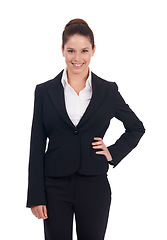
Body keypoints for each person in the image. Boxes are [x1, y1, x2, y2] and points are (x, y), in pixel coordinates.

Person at [26, 18, 145, 240]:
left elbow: (136, 127)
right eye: (71, 50)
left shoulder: (108, 91)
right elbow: (36, 143)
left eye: (84, 51)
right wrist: (35, 195)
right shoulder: (44, 91)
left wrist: (112, 152)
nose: (77, 58)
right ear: (62, 50)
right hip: (54, 187)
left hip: (94, 185)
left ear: (93, 51)